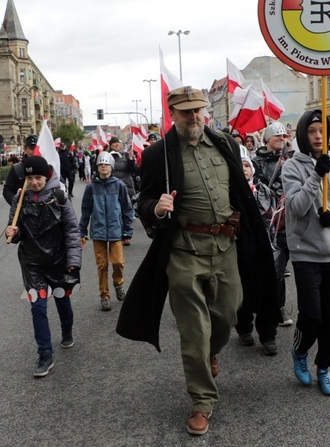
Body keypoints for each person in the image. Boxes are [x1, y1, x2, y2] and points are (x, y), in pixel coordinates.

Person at [115, 86, 276, 436]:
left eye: (198, 110)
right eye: (186, 112)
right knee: (193, 330)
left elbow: (239, 190)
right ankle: (202, 400)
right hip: (184, 250)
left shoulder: (225, 144)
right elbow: (142, 200)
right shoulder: (158, 154)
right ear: (172, 114)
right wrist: (155, 209)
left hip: (226, 246)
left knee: (228, 313)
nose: (193, 117)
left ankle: (211, 353)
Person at [282, 109, 330, 396]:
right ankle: (300, 350)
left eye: (322, 132)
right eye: (312, 131)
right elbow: (297, 207)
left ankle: (324, 367)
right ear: (303, 134)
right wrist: (316, 176)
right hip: (305, 254)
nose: (317, 136)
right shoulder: (292, 167)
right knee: (311, 316)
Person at [5, 156, 82, 377]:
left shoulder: (59, 197)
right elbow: (15, 229)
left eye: (38, 177)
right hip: (31, 263)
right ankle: (45, 354)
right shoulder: (20, 199)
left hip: (58, 261)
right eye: (29, 178)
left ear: (46, 176)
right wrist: (12, 232)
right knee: (38, 306)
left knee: (61, 298)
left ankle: (67, 330)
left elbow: (71, 230)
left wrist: (73, 262)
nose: (34, 182)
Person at [235, 147, 280, 356]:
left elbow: (274, 218)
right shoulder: (230, 193)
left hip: (264, 249)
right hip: (238, 249)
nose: (243, 169)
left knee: (267, 289)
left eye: (246, 165)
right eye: (240, 164)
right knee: (241, 290)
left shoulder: (263, 191)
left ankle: (268, 334)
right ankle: (243, 327)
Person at [79, 151, 134, 312]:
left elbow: (127, 209)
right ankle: (104, 295)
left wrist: (127, 231)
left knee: (117, 262)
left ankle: (118, 283)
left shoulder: (119, 186)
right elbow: (86, 210)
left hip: (116, 230)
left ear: (111, 167)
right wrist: (82, 231)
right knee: (102, 265)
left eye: (106, 164)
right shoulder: (91, 187)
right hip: (98, 231)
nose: (103, 167)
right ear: (97, 167)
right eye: (101, 165)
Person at [252, 121, 294, 326]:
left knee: (280, 265)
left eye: (284, 136)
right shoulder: (256, 162)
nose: (281, 139)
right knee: (267, 265)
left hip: (287, 219)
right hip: (265, 220)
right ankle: (262, 306)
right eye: (277, 136)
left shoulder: (290, 160)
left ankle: (279, 306)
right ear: (267, 138)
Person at [2, 134, 38, 205]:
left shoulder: (47, 166)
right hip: (24, 212)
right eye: (31, 148)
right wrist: (16, 203)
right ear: (25, 149)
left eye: (37, 148)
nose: (34, 151)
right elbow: (7, 190)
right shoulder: (17, 168)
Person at [108, 137, 138, 203]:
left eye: (118, 143)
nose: (116, 144)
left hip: (127, 185)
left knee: (129, 208)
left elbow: (134, 170)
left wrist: (131, 160)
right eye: (114, 143)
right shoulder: (107, 156)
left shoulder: (126, 155)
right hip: (112, 186)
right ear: (111, 145)